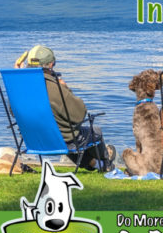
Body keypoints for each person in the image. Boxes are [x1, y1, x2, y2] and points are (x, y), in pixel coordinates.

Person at [17, 44, 116, 172]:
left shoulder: (21, 88)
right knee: (94, 131)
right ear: (51, 65)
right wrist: (65, 88)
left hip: (33, 139)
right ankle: (105, 163)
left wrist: (20, 78)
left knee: (64, 131)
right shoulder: (54, 87)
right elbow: (79, 115)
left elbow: (14, 112)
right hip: (60, 141)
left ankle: (95, 164)